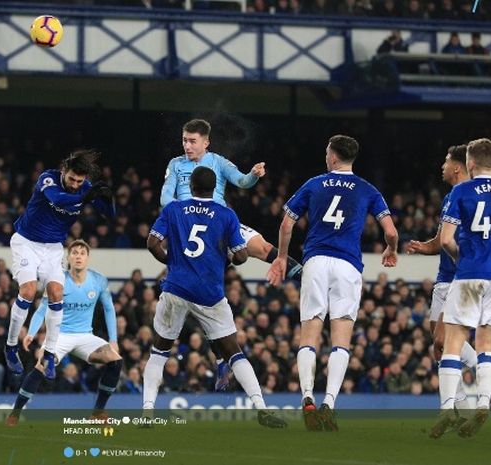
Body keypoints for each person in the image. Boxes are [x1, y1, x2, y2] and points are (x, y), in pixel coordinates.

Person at [267, 134, 398, 431]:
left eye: (327, 152)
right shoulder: (367, 189)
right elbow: (389, 230)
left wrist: (283, 257)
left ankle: (307, 396)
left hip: (315, 262)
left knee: (310, 333)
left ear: (334, 157)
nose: (326, 156)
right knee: (341, 338)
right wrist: (391, 248)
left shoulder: (314, 183)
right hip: (348, 265)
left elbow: (287, 223)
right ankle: (329, 403)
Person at [160, 119, 303, 390]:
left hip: (221, 224)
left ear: (206, 142)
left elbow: (241, 181)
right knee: (205, 295)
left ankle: (307, 275)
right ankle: (220, 358)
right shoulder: (175, 165)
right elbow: (165, 198)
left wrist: (253, 175)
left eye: (192, 141)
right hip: (191, 230)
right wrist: (184, 212)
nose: (187, 146)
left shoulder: (218, 162)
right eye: (184, 140)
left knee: (262, 247)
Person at [145, 166, 286, 429]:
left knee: (160, 351)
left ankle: (147, 412)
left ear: (190, 187)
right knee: (234, 352)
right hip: (209, 294)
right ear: (215, 188)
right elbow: (242, 255)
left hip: (175, 288)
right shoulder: (226, 215)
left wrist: (172, 261)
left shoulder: (174, 209)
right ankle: (262, 409)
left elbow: (152, 242)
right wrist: (225, 260)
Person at [406, 145, 491, 416]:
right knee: (438, 343)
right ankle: (464, 402)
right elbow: (443, 238)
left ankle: (478, 388)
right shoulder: (453, 195)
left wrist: (464, 261)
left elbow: (452, 240)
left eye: (446, 161)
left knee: (446, 339)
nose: (442, 166)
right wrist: (425, 247)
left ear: (459, 167)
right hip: (447, 275)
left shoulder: (465, 194)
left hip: (460, 276)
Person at [432, 138, 491, 438]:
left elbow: (445, 240)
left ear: (470, 163)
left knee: (452, 343)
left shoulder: (462, 190)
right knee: (486, 344)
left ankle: (447, 409)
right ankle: (484, 402)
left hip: (470, 275)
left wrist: (462, 258)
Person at [5, 151, 114, 380]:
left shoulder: (85, 188)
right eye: (72, 179)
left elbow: (108, 215)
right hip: (26, 242)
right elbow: (57, 199)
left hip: (53, 247)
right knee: (28, 290)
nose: (75, 184)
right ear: (64, 170)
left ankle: (50, 354)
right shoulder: (49, 178)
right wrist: (86, 197)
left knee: (56, 292)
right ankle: (11, 347)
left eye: (79, 181)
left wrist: (107, 199)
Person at [6, 240, 122, 425]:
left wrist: (113, 339)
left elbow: (109, 309)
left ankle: (98, 412)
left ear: (87, 258)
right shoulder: (58, 281)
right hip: (59, 336)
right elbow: (42, 308)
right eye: (74, 252)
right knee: (41, 366)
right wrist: (31, 332)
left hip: (85, 336)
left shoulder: (99, 280)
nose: (78, 256)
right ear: (68, 257)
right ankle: (15, 413)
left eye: (82, 253)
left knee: (116, 361)